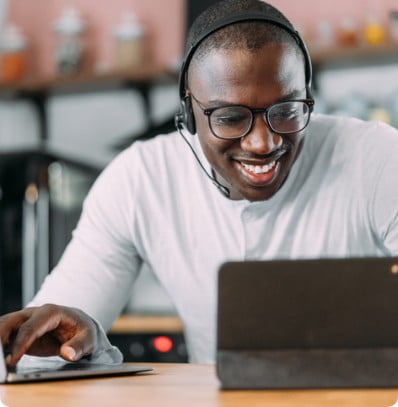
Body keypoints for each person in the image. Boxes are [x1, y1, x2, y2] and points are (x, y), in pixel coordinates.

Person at [1, 0, 398, 365]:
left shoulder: (377, 157)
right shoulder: (140, 179)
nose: (264, 142)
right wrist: (68, 343)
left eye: (287, 110)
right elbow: (45, 348)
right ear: (189, 114)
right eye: (229, 117)